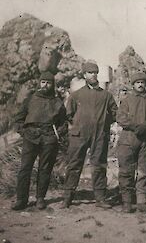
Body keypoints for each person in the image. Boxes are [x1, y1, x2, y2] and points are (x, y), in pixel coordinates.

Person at [61, 62, 118, 208]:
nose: (93, 75)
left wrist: (103, 125)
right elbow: (69, 114)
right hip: (79, 135)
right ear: (84, 75)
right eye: (89, 72)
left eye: (95, 72)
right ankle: (67, 197)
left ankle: (100, 198)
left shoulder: (106, 96)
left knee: (99, 165)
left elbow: (114, 114)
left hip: (99, 135)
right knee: (74, 164)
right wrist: (80, 124)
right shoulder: (76, 95)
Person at [12, 71, 67, 210]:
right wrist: (23, 132)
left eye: (48, 83)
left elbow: (63, 123)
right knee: (25, 168)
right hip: (30, 137)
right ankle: (21, 200)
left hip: (49, 139)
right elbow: (19, 118)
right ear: (39, 83)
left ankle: (40, 198)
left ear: (52, 85)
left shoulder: (57, 102)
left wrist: (56, 135)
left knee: (45, 169)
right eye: (43, 82)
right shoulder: (30, 99)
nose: (45, 85)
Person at [116, 71, 146, 213]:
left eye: (142, 82)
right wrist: (135, 126)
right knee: (126, 172)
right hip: (128, 140)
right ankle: (127, 202)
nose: (140, 85)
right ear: (133, 84)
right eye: (137, 82)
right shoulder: (127, 100)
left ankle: (142, 202)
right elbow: (120, 118)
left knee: (143, 171)